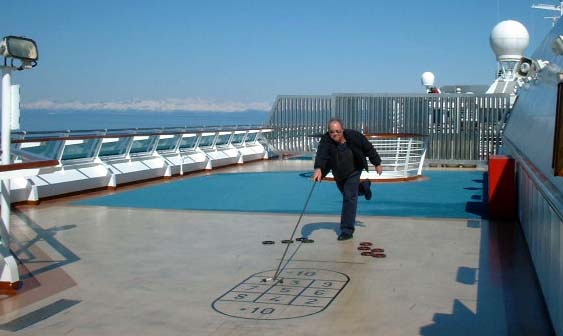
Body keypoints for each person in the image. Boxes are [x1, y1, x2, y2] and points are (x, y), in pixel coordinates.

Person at [313, 118, 383, 241]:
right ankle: (364, 187)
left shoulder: (354, 136)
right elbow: (322, 154)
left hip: (354, 170)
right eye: (331, 132)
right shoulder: (326, 140)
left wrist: (377, 163)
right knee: (349, 194)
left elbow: (368, 148)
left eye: (337, 131)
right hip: (339, 173)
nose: (335, 134)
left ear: (343, 130)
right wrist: (319, 168)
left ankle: (346, 230)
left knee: (349, 198)